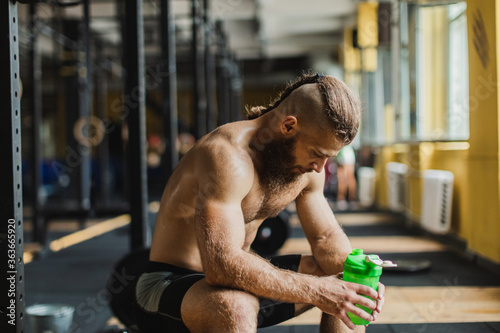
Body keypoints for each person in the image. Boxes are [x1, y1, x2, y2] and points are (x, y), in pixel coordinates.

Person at [134, 73, 385, 333]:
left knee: (347, 280)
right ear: (288, 126)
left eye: (329, 158)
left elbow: (326, 236)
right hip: (167, 285)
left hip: (231, 282)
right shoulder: (227, 156)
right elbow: (222, 266)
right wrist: (319, 290)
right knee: (234, 305)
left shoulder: (307, 168)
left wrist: (361, 281)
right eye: (317, 154)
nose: (320, 168)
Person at [335, 144, 357, 211]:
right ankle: (343, 199)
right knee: (342, 177)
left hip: (346, 153)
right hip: (341, 153)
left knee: (347, 177)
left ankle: (349, 199)